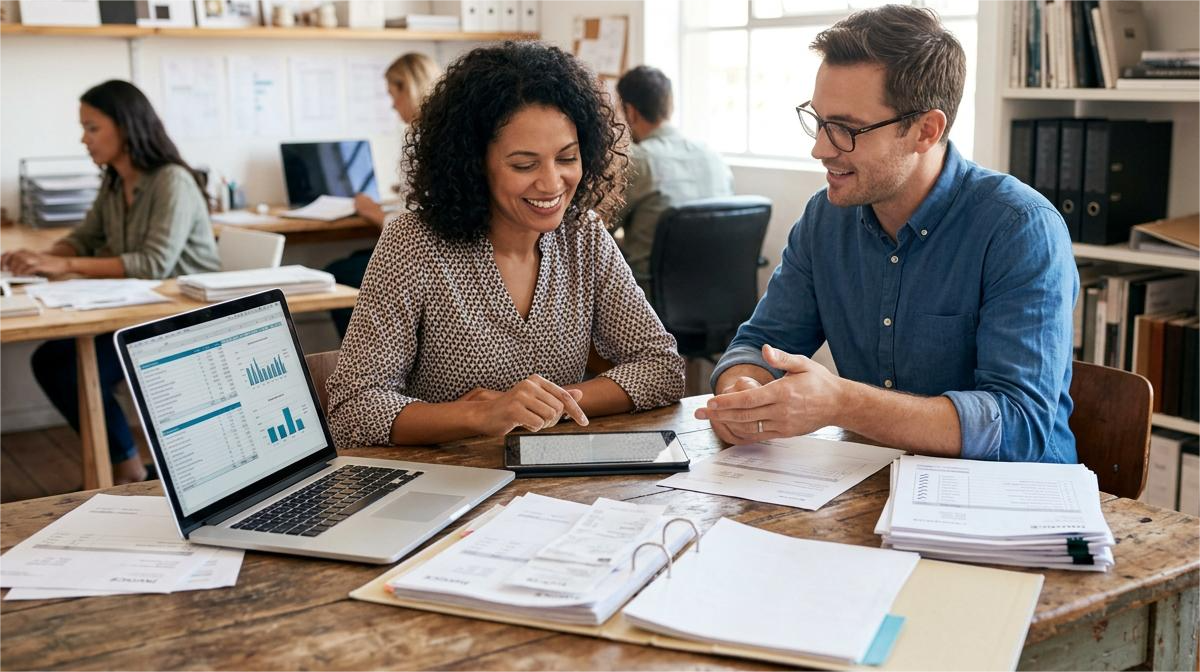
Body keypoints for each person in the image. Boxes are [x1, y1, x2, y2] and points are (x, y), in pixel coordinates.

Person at [696, 6, 1078, 464]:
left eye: (846, 129)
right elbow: (759, 344)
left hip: (1013, 506)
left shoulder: (1020, 229)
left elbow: (1019, 426)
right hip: (876, 483)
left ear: (925, 130)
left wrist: (841, 402)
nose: (820, 148)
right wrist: (745, 391)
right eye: (818, 121)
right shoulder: (825, 219)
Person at [325, 41, 685, 448]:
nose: (551, 184)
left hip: (552, 482)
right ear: (474, 164)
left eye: (567, 158)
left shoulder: (581, 234)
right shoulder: (414, 244)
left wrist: (544, 405)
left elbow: (662, 367)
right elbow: (352, 409)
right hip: (445, 486)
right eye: (524, 165)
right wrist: (479, 415)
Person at [0, 79, 220, 484]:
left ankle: (125, 468)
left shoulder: (171, 180)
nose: (84, 139)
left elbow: (153, 263)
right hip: (137, 307)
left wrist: (63, 266)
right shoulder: (116, 180)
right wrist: (39, 260)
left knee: (64, 366)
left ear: (126, 126)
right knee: (53, 360)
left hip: (185, 315)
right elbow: (86, 237)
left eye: (92, 127)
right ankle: (127, 467)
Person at [326, 52, 442, 337]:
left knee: (338, 271)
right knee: (355, 256)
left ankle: (361, 350)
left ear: (409, 88)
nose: (392, 105)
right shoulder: (442, 132)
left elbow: (413, 230)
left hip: (427, 257)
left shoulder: (422, 137)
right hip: (436, 254)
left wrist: (372, 212)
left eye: (393, 95)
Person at [613, 65, 733, 297]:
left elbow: (599, 229)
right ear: (670, 106)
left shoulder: (637, 161)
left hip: (652, 299)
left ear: (630, 111)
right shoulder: (712, 156)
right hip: (719, 293)